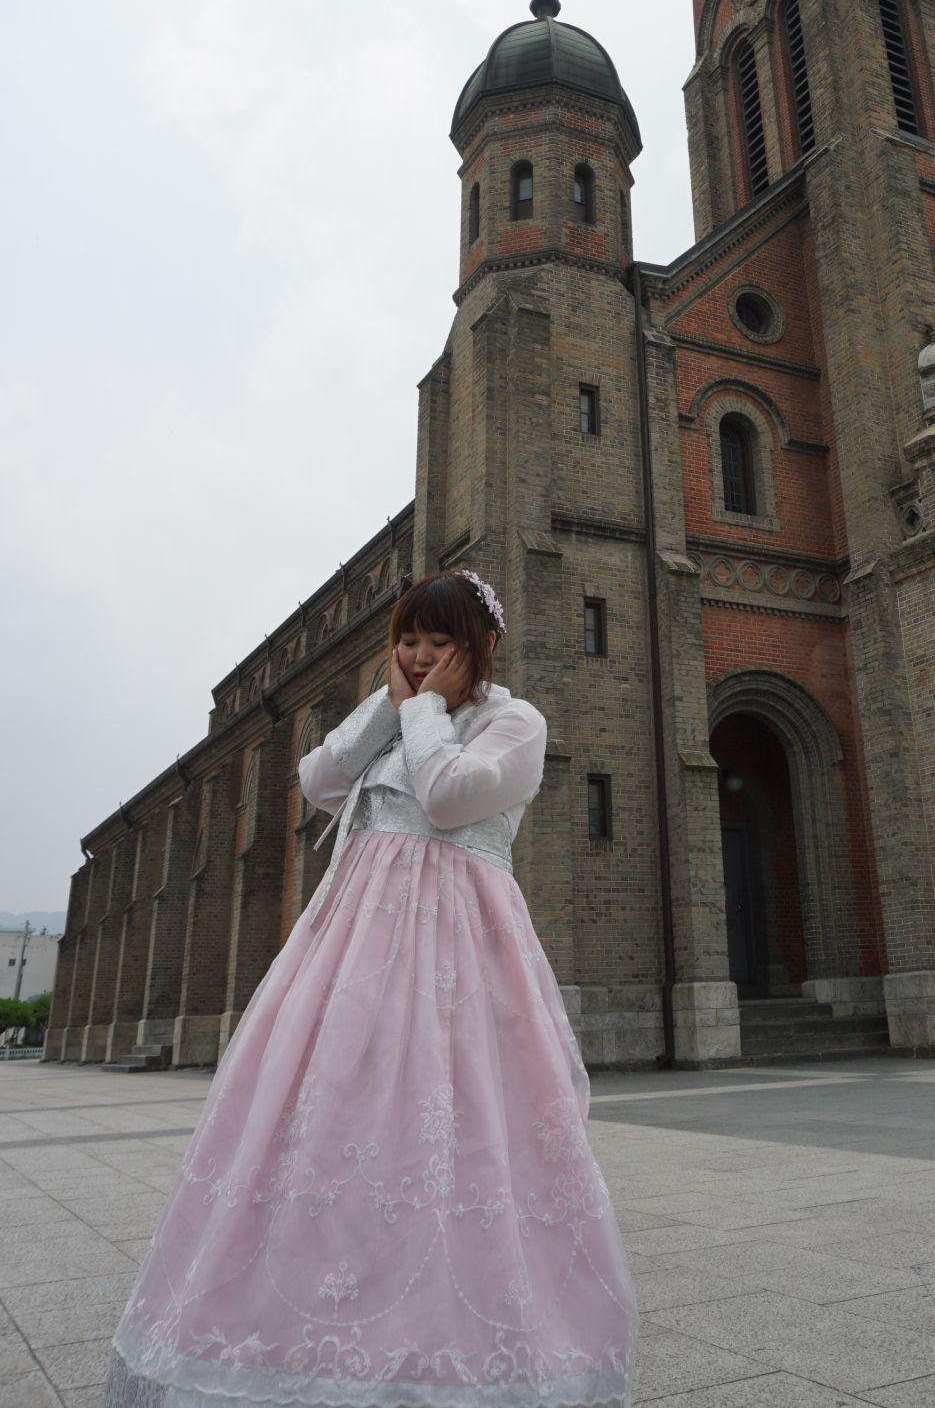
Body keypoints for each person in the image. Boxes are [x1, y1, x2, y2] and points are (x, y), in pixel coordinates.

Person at [104, 568, 639, 1408]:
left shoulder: (515, 721)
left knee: (453, 1119)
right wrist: (389, 704)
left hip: (460, 948)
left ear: (483, 645)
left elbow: (449, 795)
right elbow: (318, 781)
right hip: (351, 947)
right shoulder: (396, 717)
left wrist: (423, 710)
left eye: (440, 642)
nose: (420, 657)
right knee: (330, 1115)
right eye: (409, 641)